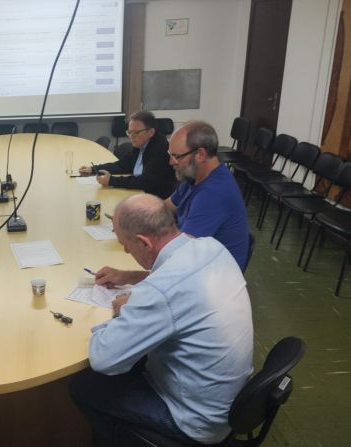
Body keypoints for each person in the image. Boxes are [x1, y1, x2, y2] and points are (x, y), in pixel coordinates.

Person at [69, 194, 253, 446]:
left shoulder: (160, 292)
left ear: (144, 242)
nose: (126, 251)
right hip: (228, 402)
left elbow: (103, 359)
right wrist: (130, 277)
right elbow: (178, 284)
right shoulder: (212, 247)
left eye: (126, 245)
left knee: (83, 386)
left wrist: (122, 311)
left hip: (195, 421)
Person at [165, 120, 249, 270]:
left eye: (176, 156)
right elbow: (166, 207)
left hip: (213, 275)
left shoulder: (214, 193)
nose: (171, 162)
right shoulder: (193, 175)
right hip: (197, 262)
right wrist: (134, 217)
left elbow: (182, 254)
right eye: (170, 154)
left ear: (200, 155)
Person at [78, 111, 176, 199]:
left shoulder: (160, 149)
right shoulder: (140, 143)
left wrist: (111, 181)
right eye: (129, 132)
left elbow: (145, 182)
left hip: (155, 198)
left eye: (136, 132)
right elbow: (122, 165)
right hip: (140, 192)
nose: (131, 137)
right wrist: (94, 169)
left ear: (151, 132)